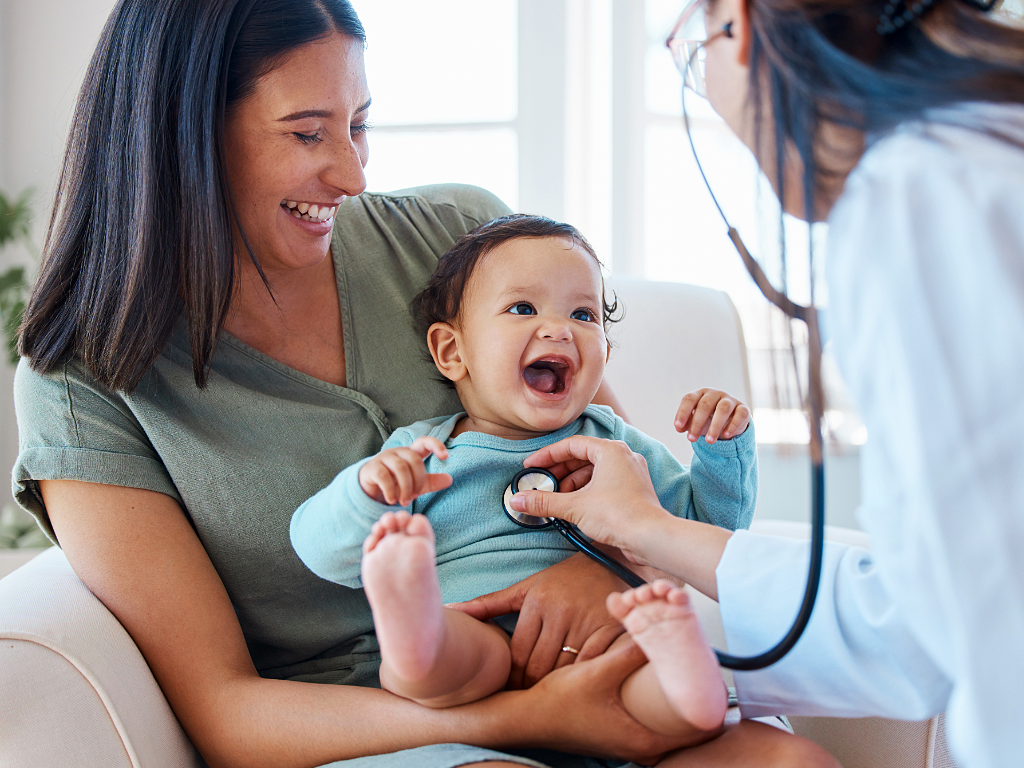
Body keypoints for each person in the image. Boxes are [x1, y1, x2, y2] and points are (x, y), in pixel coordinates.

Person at [10, 1, 841, 767]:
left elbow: (612, 471)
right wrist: (517, 721)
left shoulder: (456, 236)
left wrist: (600, 572)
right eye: (307, 134)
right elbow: (226, 712)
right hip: (385, 732)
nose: (351, 174)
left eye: (360, 125)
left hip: (597, 665)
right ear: (183, 138)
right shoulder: (84, 382)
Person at [486, 1, 1024, 767]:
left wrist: (654, 526)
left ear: (738, 25)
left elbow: (940, 627)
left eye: (695, 51)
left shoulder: (920, 197)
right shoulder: (980, 151)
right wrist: (644, 532)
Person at [290, 214, 756, 740]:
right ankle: (413, 622)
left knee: (656, 695)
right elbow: (321, 551)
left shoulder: (616, 446)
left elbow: (703, 531)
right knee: (436, 664)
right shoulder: (424, 454)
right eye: (522, 308)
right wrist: (366, 493)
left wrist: (720, 451)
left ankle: (686, 679)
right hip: (474, 631)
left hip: (605, 642)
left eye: (584, 313)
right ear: (452, 352)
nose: (560, 328)